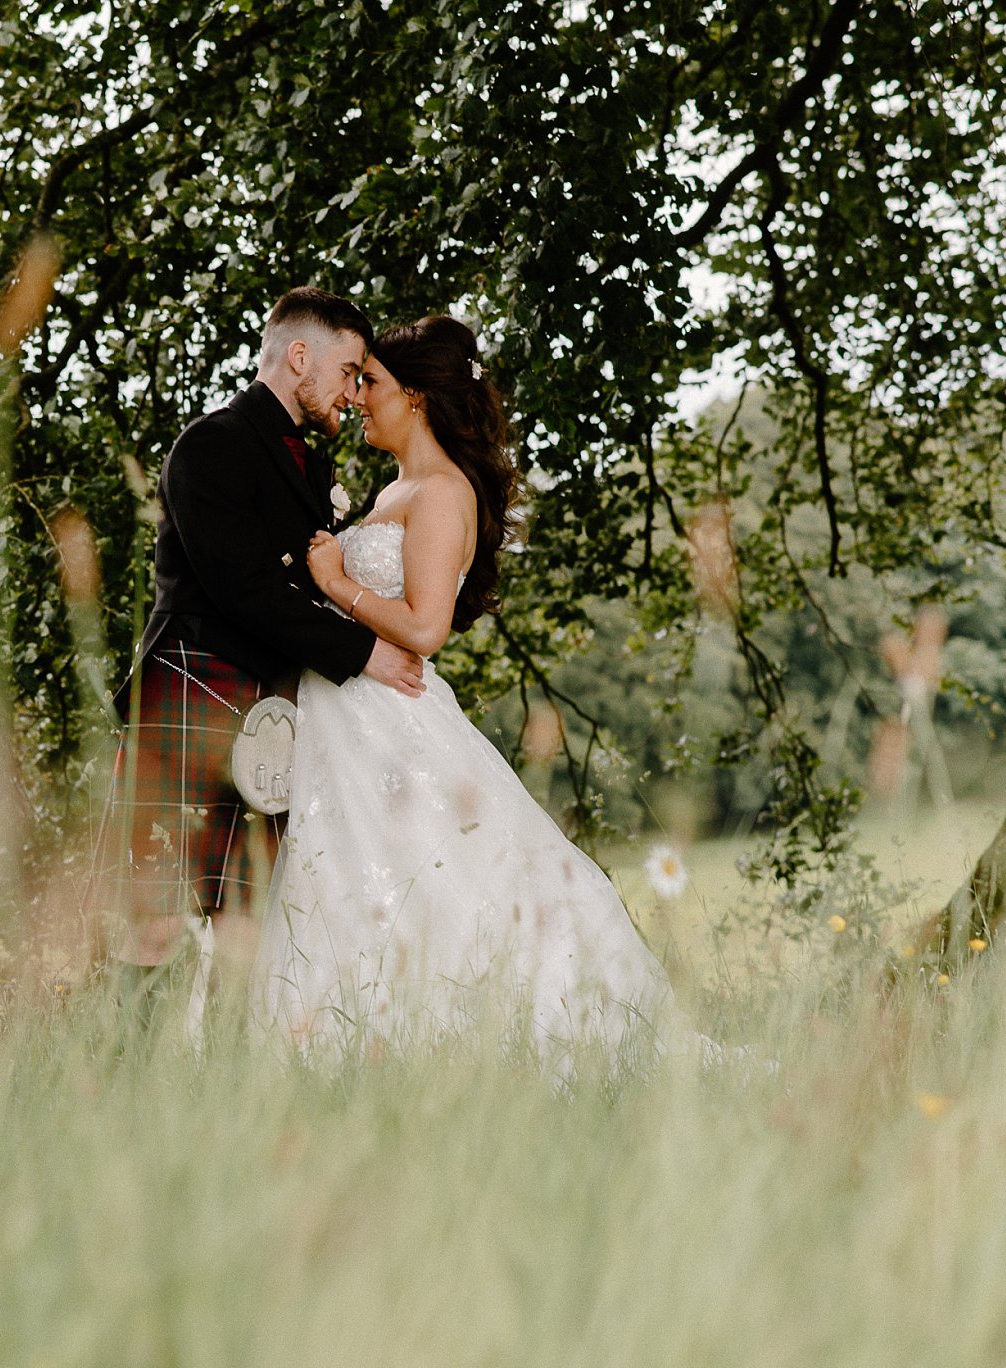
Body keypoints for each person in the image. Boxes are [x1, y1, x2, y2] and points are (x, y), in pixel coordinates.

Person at [252, 316, 685, 1064]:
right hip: (347, 722)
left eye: (372, 382)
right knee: (352, 884)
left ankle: (458, 1045)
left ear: (416, 397)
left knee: (436, 883)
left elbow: (425, 628)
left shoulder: (443, 492)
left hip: (391, 716)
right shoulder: (397, 489)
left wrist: (333, 584)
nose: (358, 398)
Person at [111, 288, 427, 1022]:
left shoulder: (313, 469)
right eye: (348, 371)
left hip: (276, 713)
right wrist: (363, 652)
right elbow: (242, 586)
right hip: (193, 690)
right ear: (297, 357)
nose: (353, 392)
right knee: (154, 917)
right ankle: (118, 1084)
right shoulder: (211, 444)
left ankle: (220, 1088)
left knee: (245, 924)